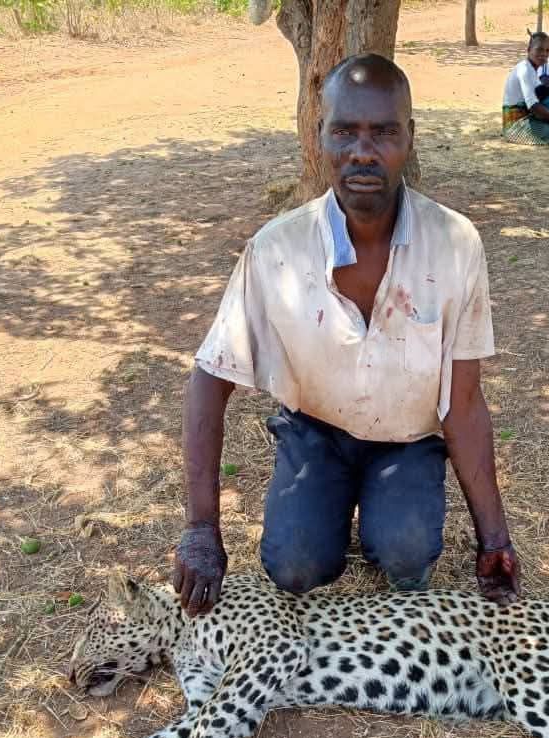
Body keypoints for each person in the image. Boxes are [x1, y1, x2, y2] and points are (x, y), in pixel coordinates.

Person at [174, 53, 521, 618]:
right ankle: (322, 497)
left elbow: (462, 403)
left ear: (410, 137)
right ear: (319, 136)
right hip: (316, 431)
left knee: (408, 557)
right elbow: (209, 379)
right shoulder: (277, 248)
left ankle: (391, 505)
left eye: (384, 132)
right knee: (295, 567)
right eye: (345, 131)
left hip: (408, 439)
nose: (363, 151)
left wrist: (495, 539)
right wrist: (200, 528)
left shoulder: (457, 244)